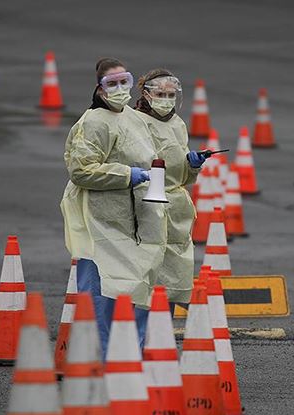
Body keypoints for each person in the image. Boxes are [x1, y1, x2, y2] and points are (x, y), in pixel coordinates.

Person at [60, 57, 165, 353]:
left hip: (132, 221)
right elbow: (81, 170)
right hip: (100, 222)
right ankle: (103, 359)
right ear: (100, 88)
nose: (119, 88)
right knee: (101, 293)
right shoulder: (93, 122)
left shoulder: (132, 118)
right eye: (112, 83)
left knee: (134, 291)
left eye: (124, 81)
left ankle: (129, 357)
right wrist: (127, 175)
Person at [130, 69, 206, 314]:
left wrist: (192, 166)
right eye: (160, 94)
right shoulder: (134, 121)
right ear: (146, 94)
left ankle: (163, 328)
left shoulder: (178, 124)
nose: (166, 99)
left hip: (175, 207)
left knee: (174, 276)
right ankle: (140, 329)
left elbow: (182, 174)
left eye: (171, 95)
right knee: (146, 273)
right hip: (146, 202)